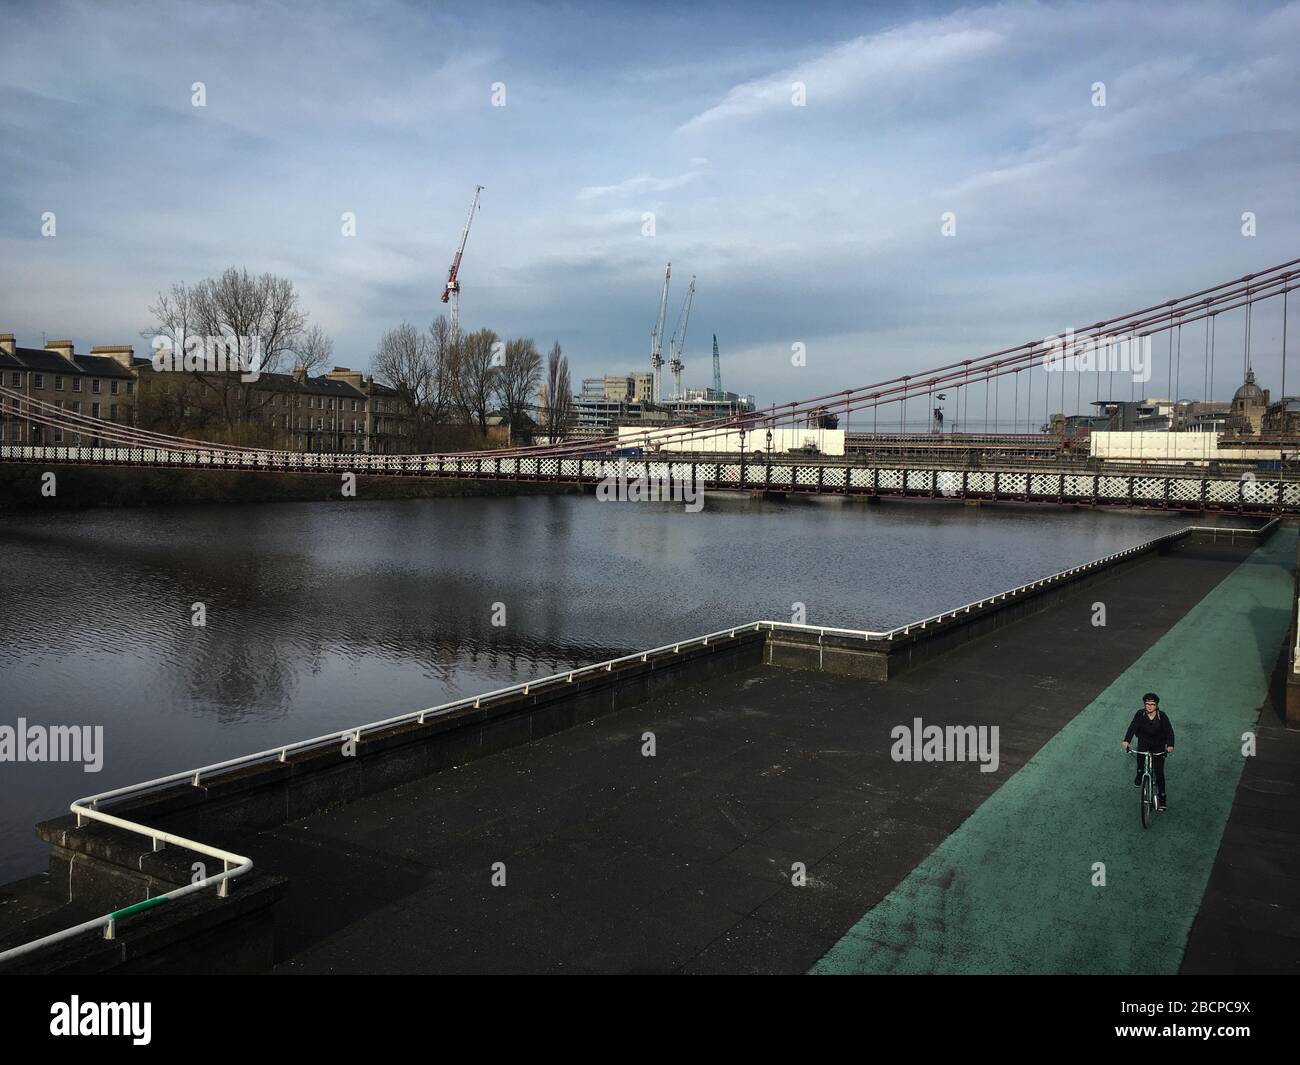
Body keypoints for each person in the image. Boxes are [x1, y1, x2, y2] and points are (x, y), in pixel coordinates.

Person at [1122, 692, 1175, 810]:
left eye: (1152, 704)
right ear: (1144, 705)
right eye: (1147, 704)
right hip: (1144, 741)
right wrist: (1126, 740)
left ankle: (1162, 799)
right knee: (1140, 758)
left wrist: (1170, 745)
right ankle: (1140, 773)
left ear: (1156, 705)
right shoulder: (1140, 714)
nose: (1149, 706)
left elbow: (1169, 731)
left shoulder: (1162, 716)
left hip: (1159, 744)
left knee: (1159, 773)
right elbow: (1133, 727)